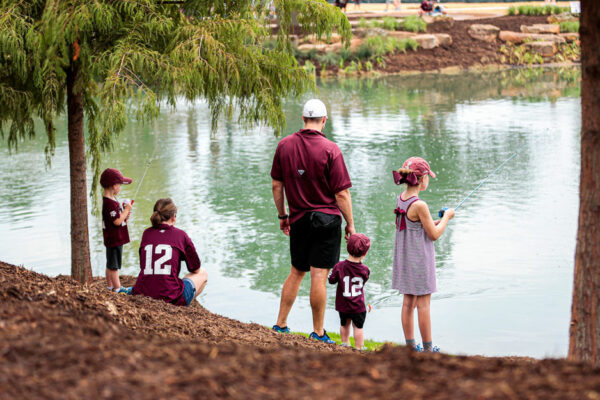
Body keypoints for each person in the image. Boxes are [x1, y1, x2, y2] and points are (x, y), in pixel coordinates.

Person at [271, 98, 355, 344]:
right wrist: (350, 223)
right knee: (318, 276)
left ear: (303, 119)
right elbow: (342, 193)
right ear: (324, 120)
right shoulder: (331, 149)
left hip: (298, 220)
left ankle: (280, 324)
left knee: (296, 272)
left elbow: (277, 184)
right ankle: (318, 333)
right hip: (327, 221)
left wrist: (283, 215)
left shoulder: (284, 146)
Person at [392, 157, 454, 352]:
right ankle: (428, 350)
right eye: (428, 177)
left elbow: (416, 226)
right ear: (421, 179)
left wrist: (435, 221)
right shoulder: (420, 205)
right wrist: (446, 218)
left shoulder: (401, 198)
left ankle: (411, 347)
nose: (429, 180)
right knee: (424, 305)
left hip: (405, 259)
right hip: (419, 260)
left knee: (408, 303)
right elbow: (434, 235)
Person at [132, 198, 208, 306]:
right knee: (203, 273)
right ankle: (183, 306)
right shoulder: (180, 235)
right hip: (172, 298)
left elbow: (143, 265)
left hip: (143, 293)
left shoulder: (146, 233)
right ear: (173, 218)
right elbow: (195, 267)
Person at [328, 233, 371, 350]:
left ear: (348, 248)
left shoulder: (339, 266)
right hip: (358, 305)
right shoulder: (365, 269)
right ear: (365, 253)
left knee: (344, 324)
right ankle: (359, 347)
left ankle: (345, 343)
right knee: (358, 327)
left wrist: (331, 274)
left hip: (343, 304)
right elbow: (364, 281)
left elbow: (331, 280)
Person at [101, 168, 133, 294]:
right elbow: (116, 222)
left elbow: (118, 219)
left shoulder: (112, 200)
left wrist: (125, 214)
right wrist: (126, 211)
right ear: (114, 186)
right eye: (120, 185)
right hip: (114, 239)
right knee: (114, 266)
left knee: (110, 264)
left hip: (113, 237)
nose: (120, 188)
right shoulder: (109, 203)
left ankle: (109, 286)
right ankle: (118, 289)